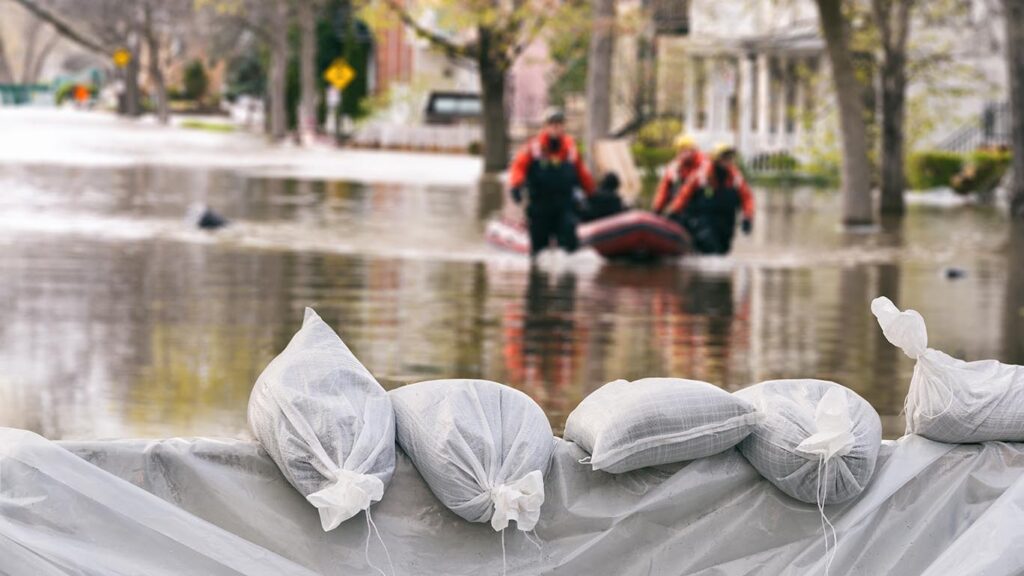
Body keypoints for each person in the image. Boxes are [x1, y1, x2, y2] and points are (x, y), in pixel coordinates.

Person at [509, 109, 596, 256]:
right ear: (545, 127)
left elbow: (582, 173)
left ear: (563, 126)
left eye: (559, 124)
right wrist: (516, 185)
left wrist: (592, 194)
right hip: (540, 206)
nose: (556, 127)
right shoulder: (534, 147)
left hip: (564, 205)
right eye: (552, 124)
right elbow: (518, 167)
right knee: (538, 250)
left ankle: (568, 275)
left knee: (569, 243)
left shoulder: (570, 148)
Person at [664, 144, 754, 255]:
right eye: (724, 157)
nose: (728, 160)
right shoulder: (701, 176)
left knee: (722, 252)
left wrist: (748, 217)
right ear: (716, 159)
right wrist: (673, 211)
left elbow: (747, 198)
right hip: (704, 221)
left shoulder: (736, 178)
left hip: (726, 223)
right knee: (710, 247)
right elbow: (684, 195)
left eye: (730, 157)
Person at [652, 134, 706, 215]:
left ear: (694, 150)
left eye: (687, 149)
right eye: (681, 149)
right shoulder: (675, 166)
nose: (684, 153)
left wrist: (674, 209)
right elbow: (663, 187)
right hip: (681, 207)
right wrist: (657, 208)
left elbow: (689, 187)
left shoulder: (703, 164)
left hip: (697, 207)